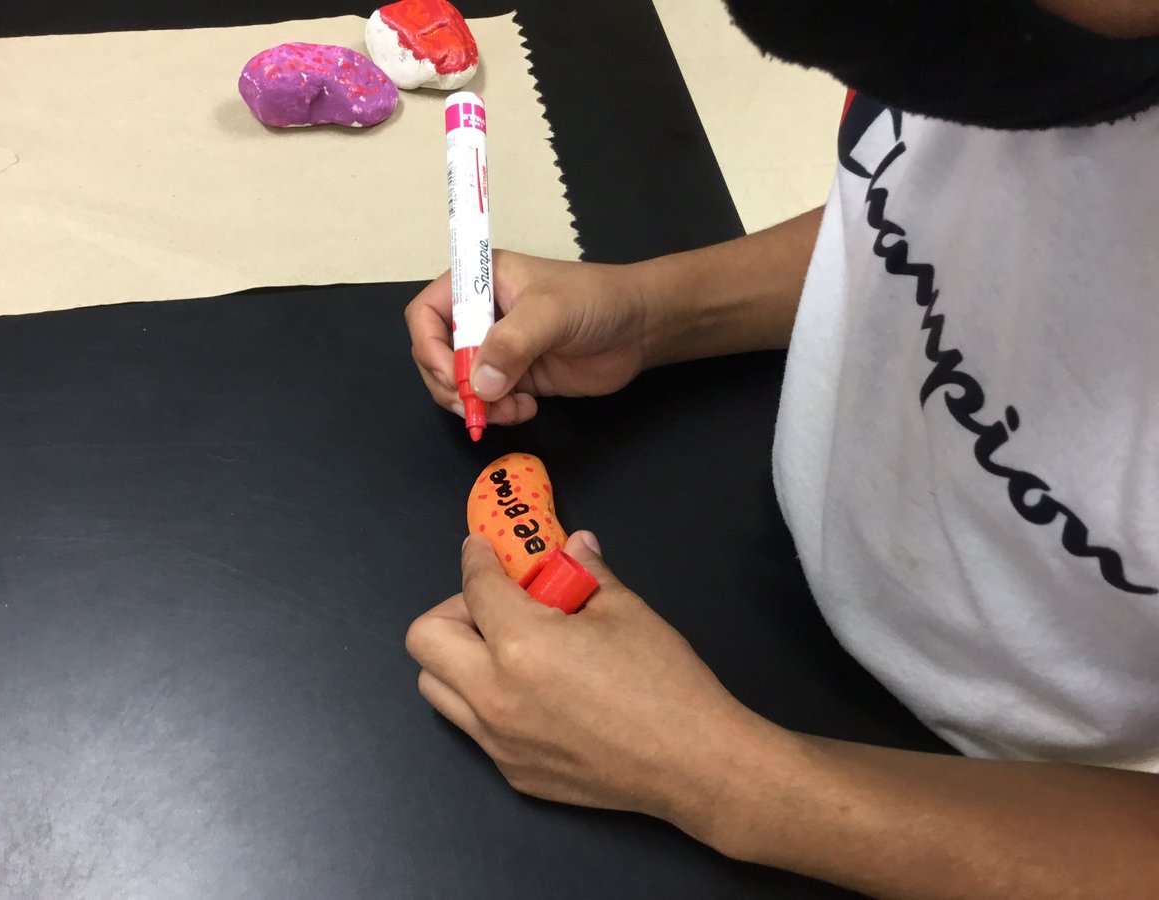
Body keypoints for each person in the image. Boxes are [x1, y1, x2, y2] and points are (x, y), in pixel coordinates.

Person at [402, 1, 1159, 896]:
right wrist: (659, 311)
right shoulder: (1046, 53)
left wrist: (724, 779)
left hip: (1010, 804)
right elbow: (941, 201)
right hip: (777, 566)